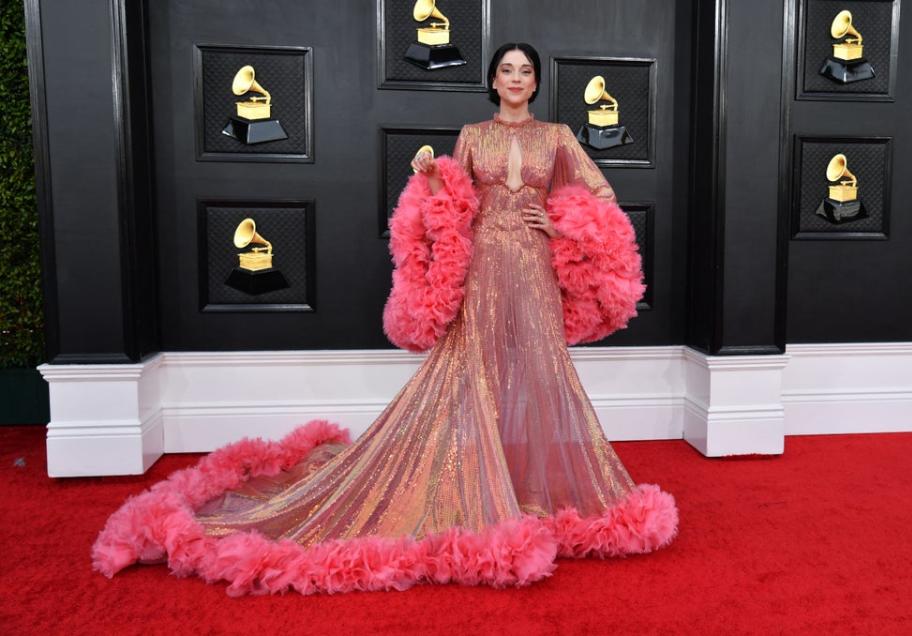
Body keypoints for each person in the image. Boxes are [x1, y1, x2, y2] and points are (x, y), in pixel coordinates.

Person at [91, 43, 678, 597]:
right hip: (484, 269)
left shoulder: (557, 137)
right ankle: (484, 488)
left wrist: (560, 223)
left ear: (536, 82)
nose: (516, 79)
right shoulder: (473, 136)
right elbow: (455, 201)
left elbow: (599, 193)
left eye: (525, 71)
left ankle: (527, 485)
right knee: (473, 367)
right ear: (493, 81)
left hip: (534, 270)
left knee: (542, 367)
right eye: (507, 71)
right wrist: (429, 174)